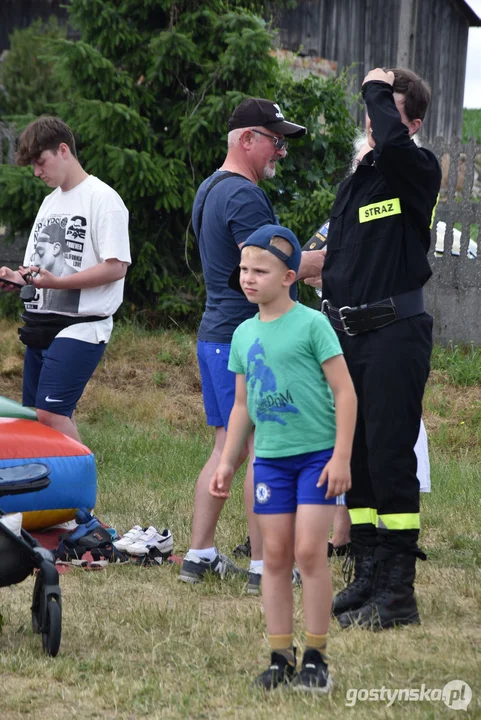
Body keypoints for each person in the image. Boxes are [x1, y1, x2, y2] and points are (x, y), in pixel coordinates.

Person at [179, 98, 326, 589]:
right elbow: (260, 266)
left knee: (228, 447)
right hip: (247, 340)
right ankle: (266, 567)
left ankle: (198, 555)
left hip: (215, 335)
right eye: (275, 140)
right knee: (265, 450)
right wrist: (323, 261)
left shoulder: (211, 188)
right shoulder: (243, 196)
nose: (280, 152)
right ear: (246, 139)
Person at [209, 224, 357, 691]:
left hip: (316, 458)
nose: (248, 278)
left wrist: (342, 457)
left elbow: (345, 392)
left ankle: (316, 659)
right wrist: (229, 462)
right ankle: (280, 658)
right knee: (273, 555)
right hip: (269, 462)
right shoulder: (242, 334)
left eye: (260, 270)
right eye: (244, 269)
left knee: (310, 552)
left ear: (290, 275)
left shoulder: (313, 324)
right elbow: (240, 406)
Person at [320, 68, 442, 630]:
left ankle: (398, 593)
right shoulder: (359, 179)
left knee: (392, 460)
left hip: (396, 334)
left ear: (411, 123)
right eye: (373, 111)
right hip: (352, 338)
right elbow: (339, 261)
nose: (375, 122)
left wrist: (375, 84)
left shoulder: (416, 169)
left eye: (388, 113)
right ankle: (367, 573)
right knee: (363, 459)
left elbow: (391, 140)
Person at [0, 116, 131, 443]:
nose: (36, 172)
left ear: (63, 150)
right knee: (34, 417)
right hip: (38, 325)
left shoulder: (103, 199)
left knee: (52, 415)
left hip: (82, 326)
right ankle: (50, 490)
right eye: (31, 165)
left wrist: (55, 284)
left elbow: (117, 267)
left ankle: (83, 485)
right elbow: (36, 269)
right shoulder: (49, 202)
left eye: (39, 162)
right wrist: (16, 278)